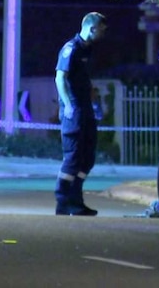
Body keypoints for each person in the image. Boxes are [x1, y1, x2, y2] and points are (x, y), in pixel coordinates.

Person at [54, 12, 107, 216]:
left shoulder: (87, 49)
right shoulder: (71, 49)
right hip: (74, 111)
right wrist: (68, 105)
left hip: (85, 110)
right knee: (73, 157)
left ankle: (76, 199)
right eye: (101, 30)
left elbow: (84, 80)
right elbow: (60, 79)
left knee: (87, 158)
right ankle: (63, 199)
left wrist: (94, 102)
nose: (103, 34)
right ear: (91, 28)